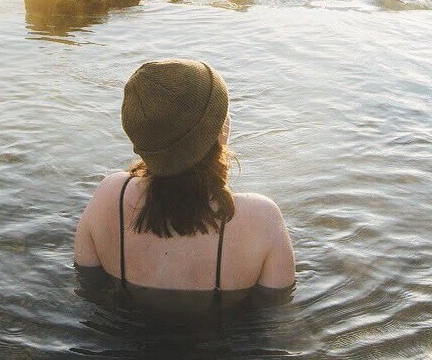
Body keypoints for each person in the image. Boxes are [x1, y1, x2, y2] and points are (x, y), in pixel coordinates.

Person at [74, 59, 295, 298]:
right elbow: (277, 318)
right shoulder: (261, 218)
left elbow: (87, 288)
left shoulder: (109, 196)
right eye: (222, 113)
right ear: (216, 132)